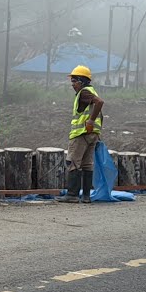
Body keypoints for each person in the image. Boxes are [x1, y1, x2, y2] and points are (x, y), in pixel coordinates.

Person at [58, 65, 104, 203]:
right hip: (91, 135)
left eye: (74, 81)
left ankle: (72, 195)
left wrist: (90, 121)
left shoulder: (84, 92)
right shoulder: (90, 91)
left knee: (73, 162)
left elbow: (100, 103)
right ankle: (86, 196)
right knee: (87, 164)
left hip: (81, 134)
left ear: (82, 81)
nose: (72, 84)